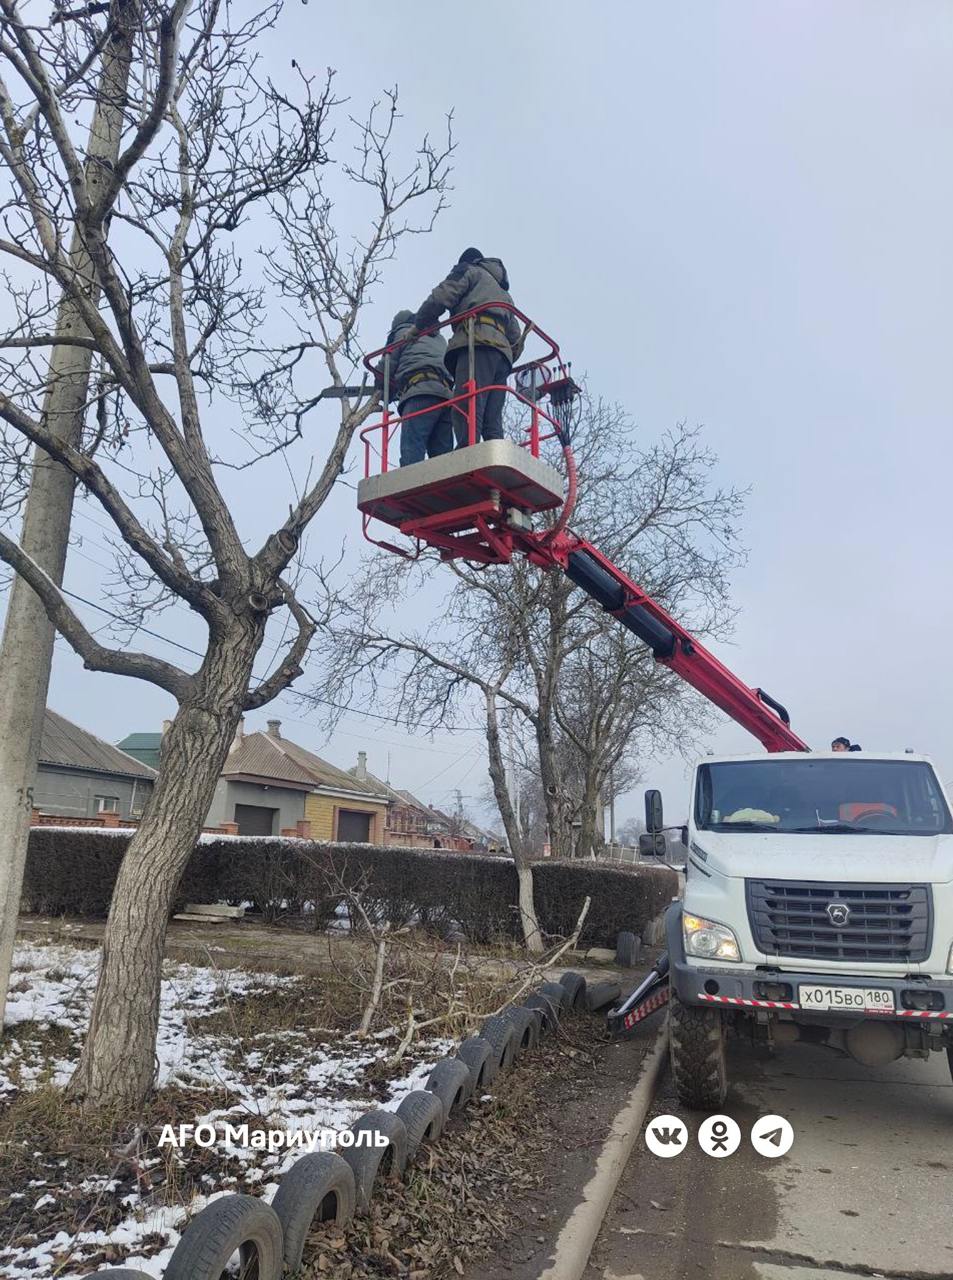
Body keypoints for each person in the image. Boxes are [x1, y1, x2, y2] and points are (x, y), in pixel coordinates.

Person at [411, 248, 523, 448]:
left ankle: (466, 452)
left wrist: (419, 325)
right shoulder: (503, 294)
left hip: (475, 344)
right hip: (502, 356)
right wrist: (502, 352)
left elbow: (441, 297)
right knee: (492, 417)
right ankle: (493, 455)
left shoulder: (469, 271)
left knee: (467, 404)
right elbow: (517, 338)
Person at [384, 310, 453, 467]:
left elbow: (388, 365)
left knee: (412, 453)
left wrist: (381, 387)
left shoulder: (403, 333)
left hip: (419, 394)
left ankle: (409, 488)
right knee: (443, 459)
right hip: (446, 396)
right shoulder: (439, 337)